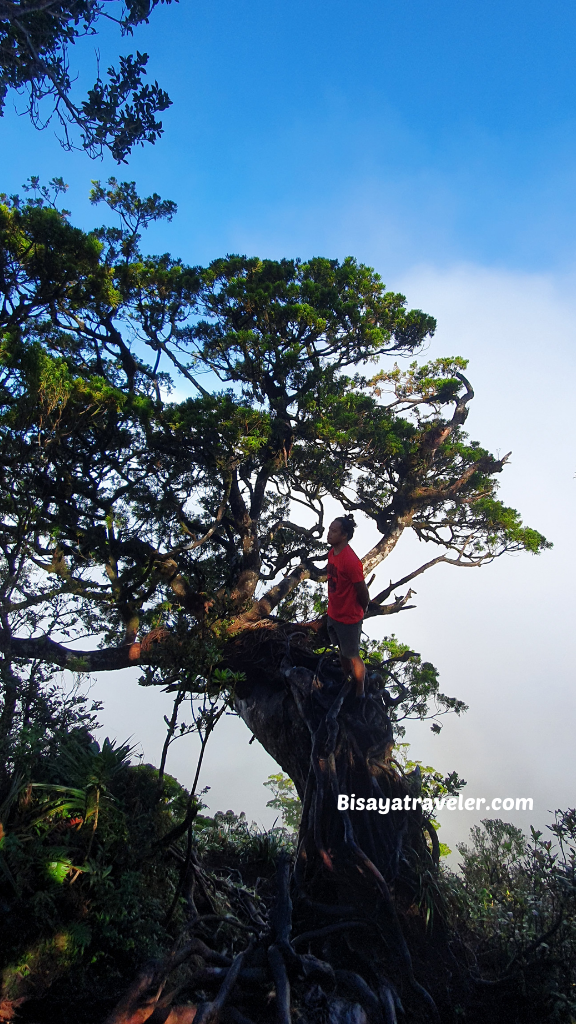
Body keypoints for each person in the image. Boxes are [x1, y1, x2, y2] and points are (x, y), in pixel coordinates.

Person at [325, 516, 370, 698]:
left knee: (353, 655)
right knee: (342, 651)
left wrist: (363, 609)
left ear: (344, 536)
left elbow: (362, 591)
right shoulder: (332, 553)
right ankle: (347, 678)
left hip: (349, 618)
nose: (329, 534)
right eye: (330, 529)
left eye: (334, 531)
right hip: (334, 613)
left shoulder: (351, 562)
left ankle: (360, 689)